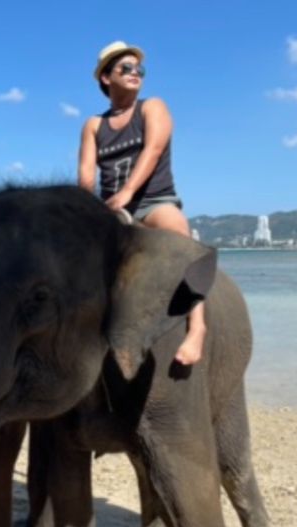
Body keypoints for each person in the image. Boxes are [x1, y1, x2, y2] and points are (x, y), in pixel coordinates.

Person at [79, 40, 206, 366]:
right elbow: (85, 175)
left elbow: (152, 150)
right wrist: (86, 211)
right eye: (126, 68)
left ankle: (197, 327)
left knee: (179, 232)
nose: (136, 73)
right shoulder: (94, 125)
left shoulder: (152, 107)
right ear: (106, 78)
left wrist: (127, 192)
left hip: (153, 202)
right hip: (112, 211)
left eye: (140, 69)